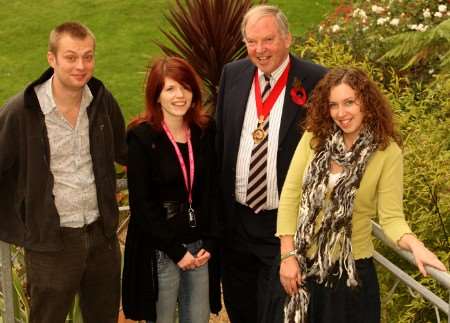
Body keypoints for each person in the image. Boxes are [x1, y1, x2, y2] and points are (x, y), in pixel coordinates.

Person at [277, 67, 447, 323]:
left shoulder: (387, 152)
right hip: (303, 269)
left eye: (349, 103)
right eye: (334, 105)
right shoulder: (314, 138)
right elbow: (290, 196)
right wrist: (287, 255)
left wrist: (415, 245)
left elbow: (390, 217)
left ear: (366, 102)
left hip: (351, 276)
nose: (341, 113)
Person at [0, 22, 127, 323]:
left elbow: (125, 150)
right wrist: (19, 224)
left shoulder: (102, 102)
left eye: (88, 56)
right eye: (71, 57)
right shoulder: (22, 111)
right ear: (51, 59)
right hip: (51, 245)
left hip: (101, 239)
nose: (81, 66)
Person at [215, 4, 327, 323]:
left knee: (277, 313)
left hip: (282, 228)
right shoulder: (233, 74)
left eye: (268, 40)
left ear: (287, 38)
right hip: (236, 225)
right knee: (241, 309)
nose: (260, 50)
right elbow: (222, 142)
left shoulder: (317, 80)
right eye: (252, 41)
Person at [121, 56, 221, 323]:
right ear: (156, 96)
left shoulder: (205, 131)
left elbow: (212, 191)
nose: (180, 95)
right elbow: (142, 205)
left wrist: (210, 241)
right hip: (162, 249)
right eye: (170, 89)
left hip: (199, 247)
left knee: (198, 318)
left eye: (185, 87)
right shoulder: (142, 138)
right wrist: (176, 251)